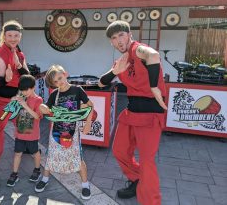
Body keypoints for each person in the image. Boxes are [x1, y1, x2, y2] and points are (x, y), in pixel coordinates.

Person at [98, 20, 167, 205]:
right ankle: (137, 180)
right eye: (114, 38)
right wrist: (114, 72)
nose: (119, 40)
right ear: (111, 42)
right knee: (119, 150)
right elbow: (101, 82)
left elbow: (153, 55)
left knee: (147, 162)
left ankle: (151, 201)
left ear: (129, 35)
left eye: (121, 35)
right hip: (132, 111)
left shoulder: (138, 49)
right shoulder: (120, 61)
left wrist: (154, 87)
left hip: (151, 113)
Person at [0, 20, 30, 189]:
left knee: (25, 121)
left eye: (16, 35)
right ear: (4, 36)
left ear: (20, 37)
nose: (13, 38)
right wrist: (7, 78)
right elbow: (0, 81)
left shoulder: (20, 53)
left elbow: (28, 78)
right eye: (9, 35)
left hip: (15, 100)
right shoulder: (0, 54)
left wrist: (19, 66)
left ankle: (25, 147)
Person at [36, 65, 93, 200]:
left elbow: (90, 105)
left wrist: (88, 124)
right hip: (56, 132)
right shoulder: (54, 94)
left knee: (78, 158)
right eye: (55, 82)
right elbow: (46, 108)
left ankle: (85, 184)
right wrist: (42, 107)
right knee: (51, 156)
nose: (59, 83)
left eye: (60, 78)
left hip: (73, 132)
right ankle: (45, 179)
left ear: (65, 74)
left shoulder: (77, 90)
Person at [6, 74, 43, 187]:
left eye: (26, 90)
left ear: (33, 88)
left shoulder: (38, 100)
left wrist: (25, 105)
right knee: (17, 153)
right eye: (22, 90)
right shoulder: (20, 97)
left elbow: (37, 116)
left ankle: (37, 170)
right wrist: (12, 102)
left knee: (34, 153)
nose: (24, 92)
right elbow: (11, 114)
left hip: (32, 135)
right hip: (20, 133)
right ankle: (14, 174)